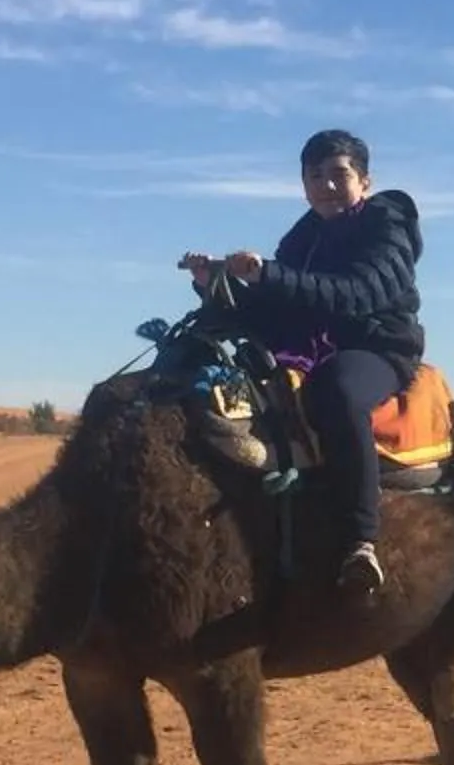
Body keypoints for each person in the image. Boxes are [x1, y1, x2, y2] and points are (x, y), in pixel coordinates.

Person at [179, 127, 424, 595]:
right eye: (316, 176)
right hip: (307, 347)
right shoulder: (303, 237)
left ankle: (361, 538)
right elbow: (277, 310)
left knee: (336, 392)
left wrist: (268, 274)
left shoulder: (385, 227)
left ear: (364, 182)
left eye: (339, 174)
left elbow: (359, 295)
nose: (327, 186)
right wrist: (214, 284)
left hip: (378, 348)